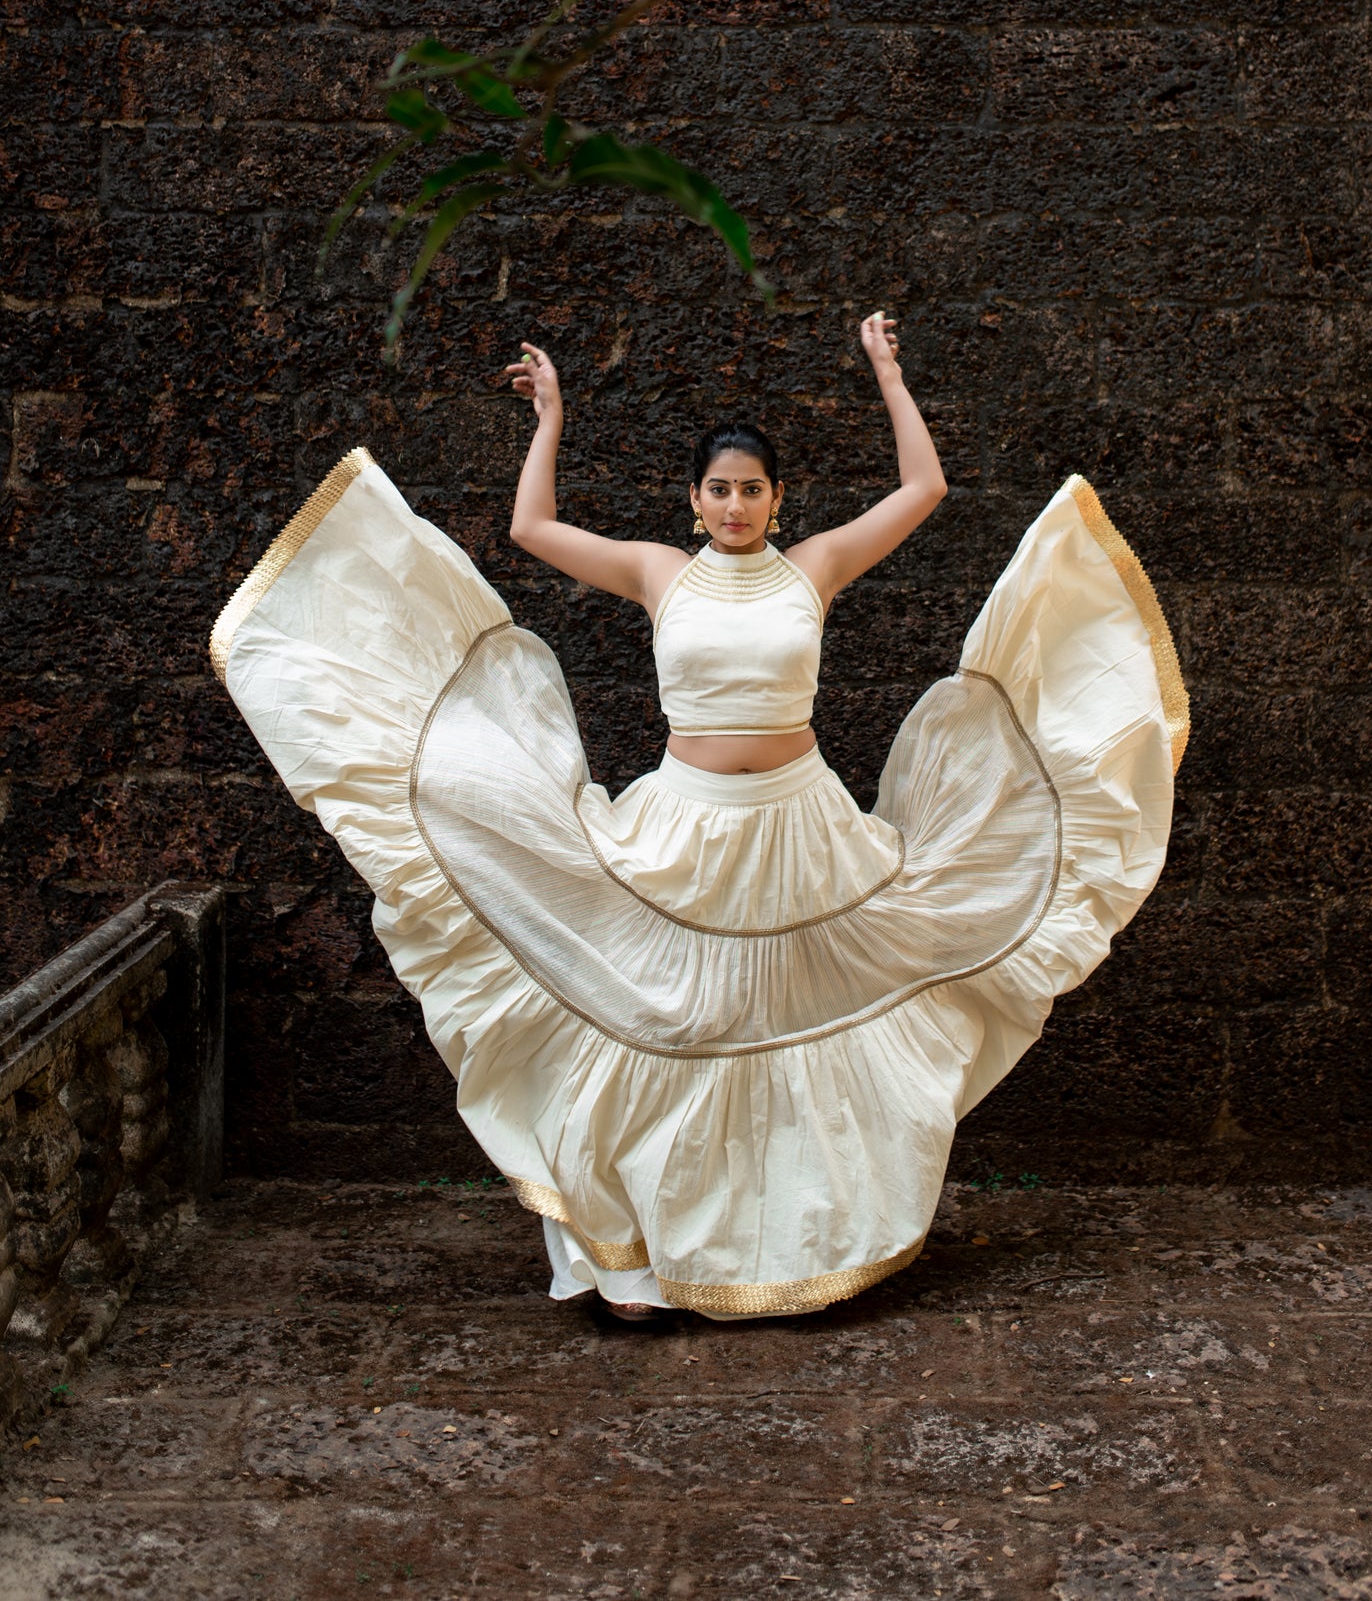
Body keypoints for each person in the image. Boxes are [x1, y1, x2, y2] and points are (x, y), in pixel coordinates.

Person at [211, 314, 1187, 1324]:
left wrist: (887, 373)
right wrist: (551, 418)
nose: (733, 504)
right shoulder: (658, 572)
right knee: (674, 1024)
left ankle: (797, 1244)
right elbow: (532, 530)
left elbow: (922, 490)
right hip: (683, 827)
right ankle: (639, 1257)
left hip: (801, 831)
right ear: (693, 498)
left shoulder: (813, 567)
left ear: (776, 498)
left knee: (785, 1034)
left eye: (750, 489)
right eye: (717, 489)